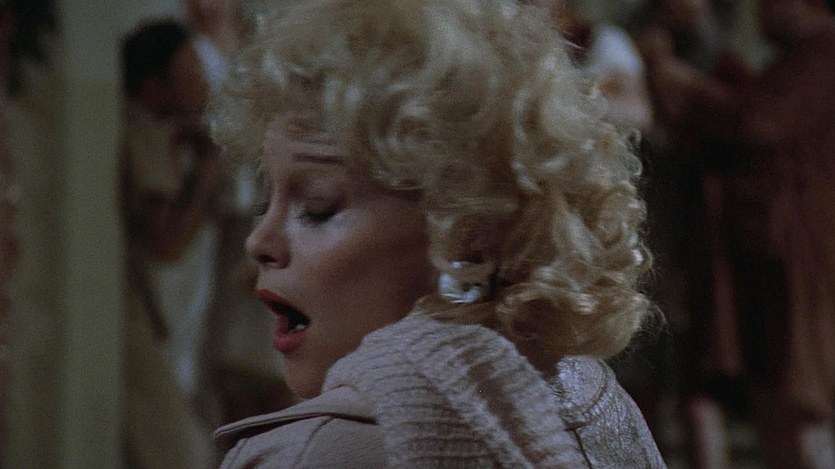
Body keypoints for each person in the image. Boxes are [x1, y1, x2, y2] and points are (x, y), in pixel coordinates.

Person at [210, 0, 665, 467]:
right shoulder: (600, 407)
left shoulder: (310, 454)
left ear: (468, 231)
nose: (259, 242)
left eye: (317, 207)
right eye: (266, 202)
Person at [119, 19, 223, 469]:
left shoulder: (174, 138)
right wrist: (209, 172)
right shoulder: (146, 135)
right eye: (191, 76)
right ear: (153, 89)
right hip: (146, 323)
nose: (204, 88)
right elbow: (167, 244)